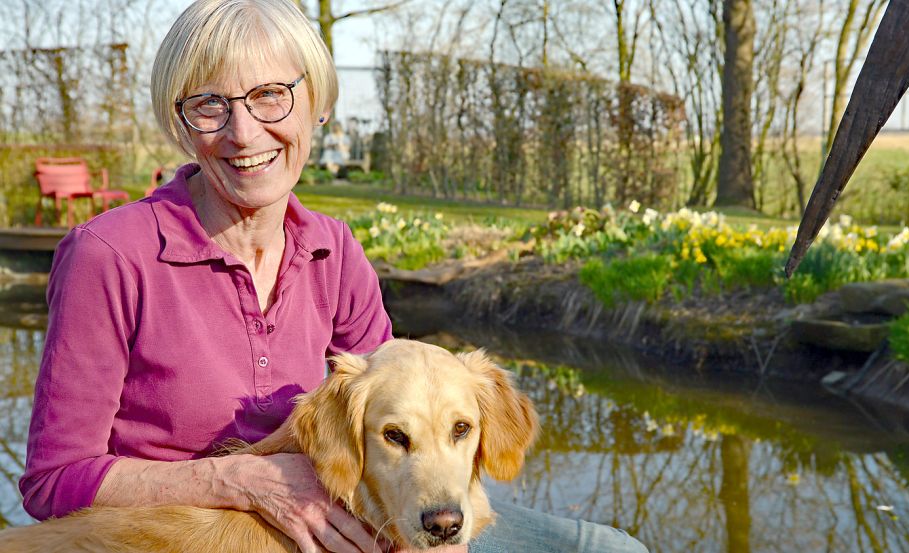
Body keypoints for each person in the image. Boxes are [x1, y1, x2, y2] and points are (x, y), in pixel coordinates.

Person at [19, 1, 647, 552]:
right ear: (181, 123)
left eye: (271, 95)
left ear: (315, 104)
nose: (244, 133)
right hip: (177, 536)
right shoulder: (108, 253)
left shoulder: (333, 247)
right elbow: (52, 484)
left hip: (354, 520)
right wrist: (241, 482)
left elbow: (405, 408)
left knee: (610, 547)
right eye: (209, 105)